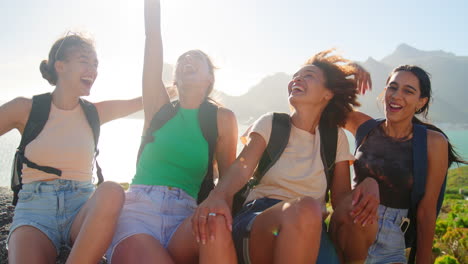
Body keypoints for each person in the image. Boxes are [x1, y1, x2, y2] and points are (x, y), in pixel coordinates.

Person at [191, 50, 380, 264]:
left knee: (363, 218)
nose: (297, 79)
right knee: (307, 208)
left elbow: (341, 199)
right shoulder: (271, 123)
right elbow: (241, 168)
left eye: (308, 75)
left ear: (327, 94)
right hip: (260, 220)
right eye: (295, 76)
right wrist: (218, 194)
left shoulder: (334, 137)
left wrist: (370, 184)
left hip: (311, 228)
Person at [105, 0, 238, 263]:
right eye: (182, 60)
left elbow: (226, 184)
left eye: (197, 58)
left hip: (185, 216)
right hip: (138, 213)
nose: (188, 59)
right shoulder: (158, 108)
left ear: (209, 78)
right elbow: (152, 38)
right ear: (174, 77)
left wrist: (222, 224)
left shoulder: (222, 119)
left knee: (216, 225)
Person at [1, 32, 143, 263]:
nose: (93, 69)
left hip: (81, 209)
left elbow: (142, 101)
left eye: (96, 64)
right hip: (35, 210)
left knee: (112, 191)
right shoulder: (25, 108)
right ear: (60, 66)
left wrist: (176, 87)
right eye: (85, 61)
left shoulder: (93, 113)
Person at [339, 65, 467, 263]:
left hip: (391, 244)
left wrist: (422, 260)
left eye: (408, 91)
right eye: (393, 87)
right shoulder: (363, 126)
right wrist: (348, 69)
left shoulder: (433, 142)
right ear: (384, 92)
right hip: (348, 233)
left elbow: (427, 209)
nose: (396, 95)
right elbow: (323, 102)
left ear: (421, 102)